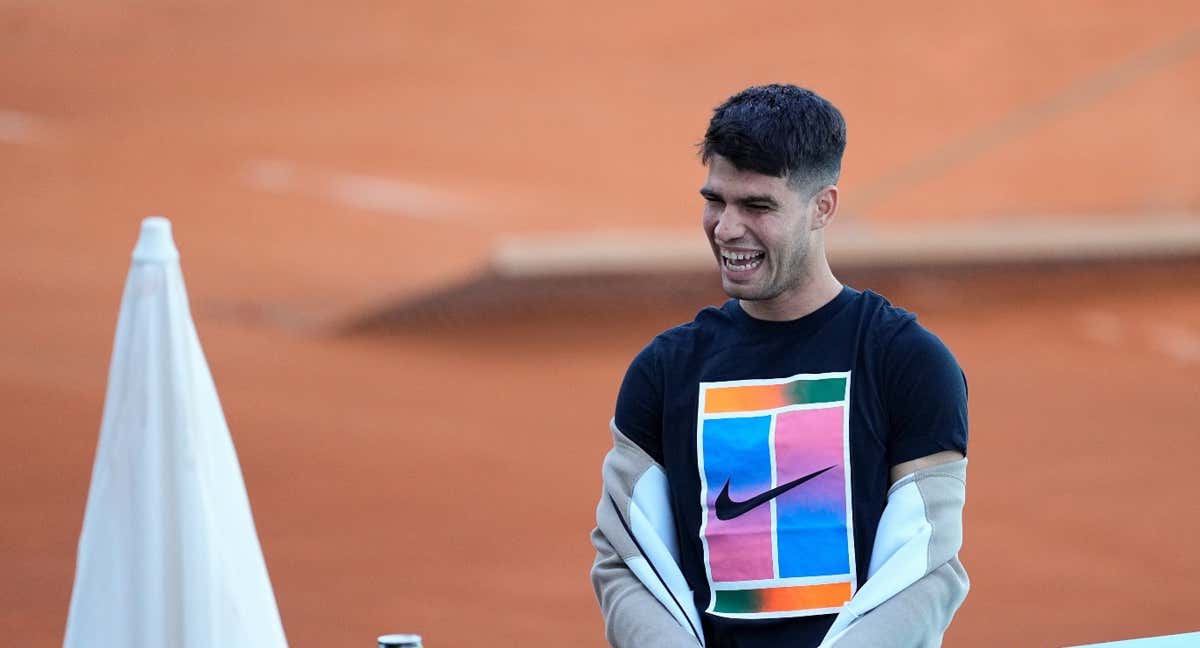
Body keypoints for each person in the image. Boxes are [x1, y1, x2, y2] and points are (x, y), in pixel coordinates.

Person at [590, 84, 969, 648]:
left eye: (757, 206)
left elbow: (925, 569)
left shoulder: (906, 362)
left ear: (823, 207)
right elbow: (627, 562)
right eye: (715, 200)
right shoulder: (664, 371)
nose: (725, 228)